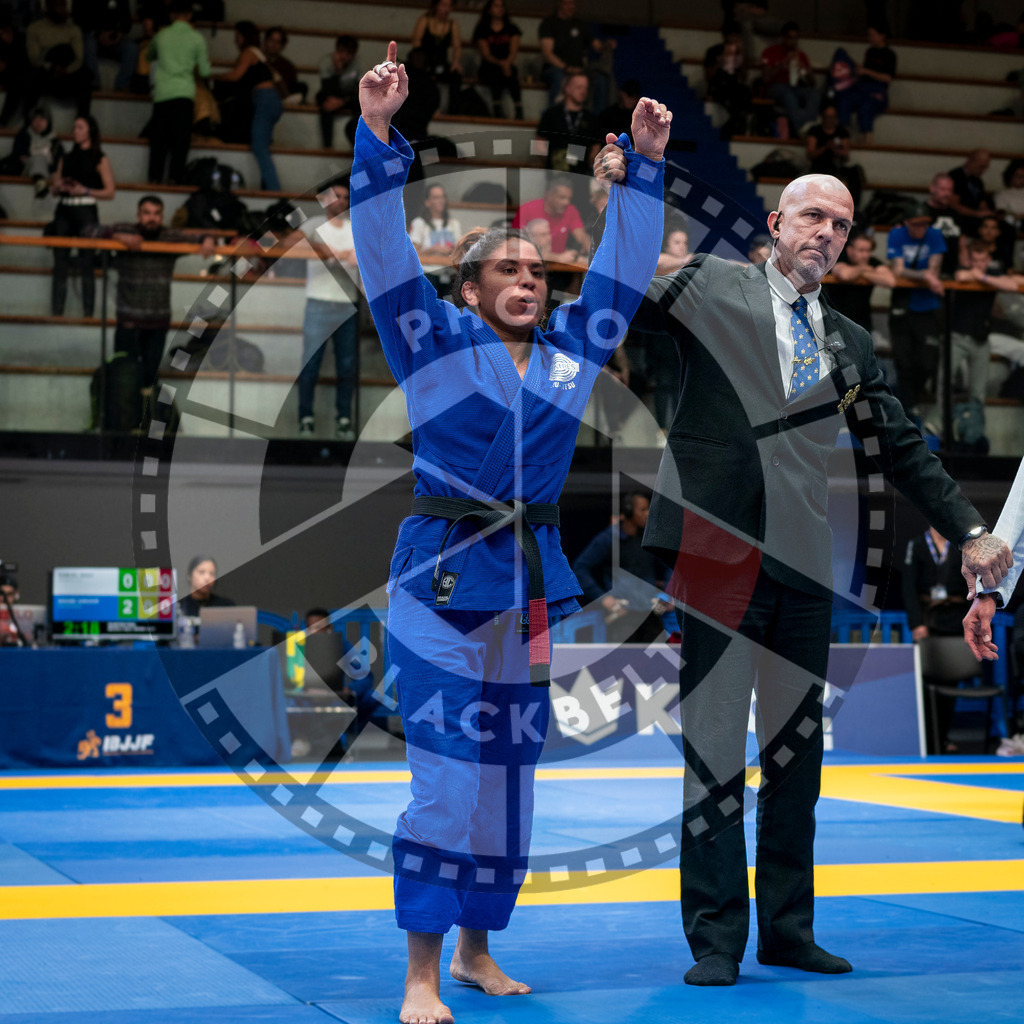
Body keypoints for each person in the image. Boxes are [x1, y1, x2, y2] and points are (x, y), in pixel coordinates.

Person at [597, 145, 1013, 984]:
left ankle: (788, 927)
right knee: (716, 748)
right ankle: (716, 940)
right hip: (715, 557)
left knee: (796, 757)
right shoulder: (716, 287)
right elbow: (629, 285)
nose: (827, 231)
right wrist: (631, 189)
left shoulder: (850, 340)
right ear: (777, 226)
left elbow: (902, 446)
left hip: (799, 565)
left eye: (842, 223)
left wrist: (970, 530)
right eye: (813, 216)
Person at [352, 40, 669, 1024]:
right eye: (507, 268)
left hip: (525, 585)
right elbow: (381, 252)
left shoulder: (576, 351)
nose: (528, 278)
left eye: (537, 268)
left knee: (506, 783)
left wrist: (644, 173)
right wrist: (374, 136)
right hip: (441, 580)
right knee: (444, 784)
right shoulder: (429, 339)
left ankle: (479, 947)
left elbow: (620, 272)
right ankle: (416, 972)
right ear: (469, 288)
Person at [87, 195, 215, 407]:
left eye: (156, 214)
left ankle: (142, 428)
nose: (151, 218)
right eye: (147, 213)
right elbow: (88, 231)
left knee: (148, 380)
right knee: (124, 376)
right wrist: (118, 236)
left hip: (158, 321)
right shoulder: (125, 230)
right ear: (139, 215)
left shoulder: (169, 236)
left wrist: (208, 239)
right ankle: (123, 428)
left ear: (162, 216)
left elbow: (204, 235)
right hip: (128, 319)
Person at [295, 176, 360, 440]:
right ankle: (305, 418)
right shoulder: (312, 225)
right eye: (336, 197)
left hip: (348, 304)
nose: (341, 202)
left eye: (345, 197)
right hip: (319, 301)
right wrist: (323, 248)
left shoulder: (357, 228)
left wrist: (355, 256)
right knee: (310, 364)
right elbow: (289, 245)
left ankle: (344, 418)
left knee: (347, 366)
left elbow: (373, 256)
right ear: (325, 199)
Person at [573, 490, 673, 642]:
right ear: (628, 512)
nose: (647, 514)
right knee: (624, 660)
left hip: (650, 613)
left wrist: (669, 594)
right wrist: (603, 598)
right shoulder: (608, 538)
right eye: (643, 509)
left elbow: (669, 564)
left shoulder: (650, 538)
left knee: (658, 661)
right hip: (622, 614)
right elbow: (580, 568)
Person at [49, 114, 115, 318]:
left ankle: (88, 314)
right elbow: (54, 187)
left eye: (79, 127)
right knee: (60, 262)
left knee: (87, 262)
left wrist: (85, 190)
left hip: (86, 209)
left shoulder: (99, 158)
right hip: (64, 208)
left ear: (89, 131)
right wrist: (59, 186)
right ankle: (57, 312)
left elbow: (110, 191)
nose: (75, 131)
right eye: (74, 127)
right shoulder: (65, 158)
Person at [886, 202, 946, 424]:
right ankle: (906, 409)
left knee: (928, 362)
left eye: (924, 224)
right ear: (907, 223)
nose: (921, 229)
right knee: (904, 361)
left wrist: (926, 276)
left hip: (928, 307)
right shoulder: (897, 234)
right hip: (903, 303)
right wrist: (926, 277)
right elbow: (898, 269)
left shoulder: (935, 235)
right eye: (916, 225)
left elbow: (935, 271)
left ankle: (910, 401)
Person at [212, 21, 282, 191]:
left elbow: (236, 76)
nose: (235, 40)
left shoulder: (248, 51)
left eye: (237, 36)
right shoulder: (258, 54)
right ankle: (268, 190)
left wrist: (212, 75)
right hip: (270, 100)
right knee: (263, 145)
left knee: (259, 147)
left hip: (264, 99)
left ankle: (275, 193)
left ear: (243, 37)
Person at [146, 0, 210, 185]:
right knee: (180, 141)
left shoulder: (162, 35)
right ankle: (175, 178)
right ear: (190, 15)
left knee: (158, 140)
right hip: (184, 93)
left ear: (171, 15)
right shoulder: (197, 38)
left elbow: (149, 56)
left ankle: (154, 178)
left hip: (163, 93)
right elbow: (205, 71)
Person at [25, 0, 93, 117]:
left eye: (64, 6)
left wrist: (66, 70)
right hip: (46, 73)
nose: (63, 10)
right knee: (29, 76)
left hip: (68, 73)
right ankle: (28, 119)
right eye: (59, 6)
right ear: (48, 7)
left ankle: (82, 121)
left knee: (86, 76)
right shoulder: (34, 29)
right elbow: (34, 58)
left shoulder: (73, 29)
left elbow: (79, 59)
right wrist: (51, 67)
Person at [824, 227, 895, 333]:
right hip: (836, 320)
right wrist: (864, 269)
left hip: (862, 322)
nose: (865, 255)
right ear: (849, 250)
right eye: (861, 251)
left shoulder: (872, 262)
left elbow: (890, 281)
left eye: (868, 251)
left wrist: (864, 273)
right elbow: (845, 274)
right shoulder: (840, 258)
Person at [835, 24, 895, 145]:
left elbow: (888, 78)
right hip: (863, 88)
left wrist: (867, 71)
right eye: (869, 35)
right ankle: (844, 134)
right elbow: (865, 70)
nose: (870, 38)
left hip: (878, 90)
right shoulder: (870, 51)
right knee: (845, 100)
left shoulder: (890, 54)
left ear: (882, 36)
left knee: (866, 107)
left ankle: (867, 138)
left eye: (872, 35)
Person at [760, 21, 817, 138]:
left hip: (797, 87)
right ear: (783, 37)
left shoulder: (801, 56)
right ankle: (800, 130)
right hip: (776, 88)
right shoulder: (770, 52)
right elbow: (765, 78)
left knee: (814, 95)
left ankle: (809, 128)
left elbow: (812, 83)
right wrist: (781, 65)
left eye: (796, 38)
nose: (793, 41)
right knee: (788, 95)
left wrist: (805, 70)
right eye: (790, 38)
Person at [511, 174, 588, 258]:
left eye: (569, 198)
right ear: (549, 195)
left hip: (560, 267)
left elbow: (582, 237)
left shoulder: (570, 210)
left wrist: (589, 254)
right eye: (561, 198)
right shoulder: (526, 209)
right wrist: (557, 258)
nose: (566, 202)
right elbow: (516, 246)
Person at [408, 182, 464, 298]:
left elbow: (460, 251)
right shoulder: (419, 223)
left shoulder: (454, 224)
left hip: (449, 274)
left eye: (443, 197)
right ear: (427, 202)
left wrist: (452, 250)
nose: (441, 200)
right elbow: (412, 255)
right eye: (436, 197)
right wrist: (433, 250)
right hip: (428, 273)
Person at [535, 69, 596, 171]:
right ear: (567, 88)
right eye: (579, 87)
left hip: (581, 177)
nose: (583, 91)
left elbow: (595, 149)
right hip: (555, 174)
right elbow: (539, 143)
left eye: (586, 88)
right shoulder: (552, 114)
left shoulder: (591, 118)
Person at [472, 0, 523, 120]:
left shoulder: (512, 28)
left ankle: (519, 107)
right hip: (489, 65)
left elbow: (513, 51)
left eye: (502, 6)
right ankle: (496, 106)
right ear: (489, 9)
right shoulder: (482, 28)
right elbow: (486, 54)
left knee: (512, 74)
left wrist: (507, 63)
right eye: (496, 6)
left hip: (507, 64)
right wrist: (501, 63)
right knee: (496, 72)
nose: (500, 9)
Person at [411, 0, 463, 114]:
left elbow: (457, 46)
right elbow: (416, 43)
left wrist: (456, 62)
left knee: (456, 76)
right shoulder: (425, 20)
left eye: (449, 6)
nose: (447, 9)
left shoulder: (452, 24)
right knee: (418, 75)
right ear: (436, 6)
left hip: (441, 62)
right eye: (444, 5)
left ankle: (453, 112)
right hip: (424, 61)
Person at [73, 0, 136, 92]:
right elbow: (78, 19)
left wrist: (119, 34)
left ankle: (122, 87)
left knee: (131, 48)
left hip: (115, 38)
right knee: (89, 44)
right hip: (92, 36)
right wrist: (99, 34)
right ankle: (94, 84)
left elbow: (127, 22)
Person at [702, 20, 751, 138]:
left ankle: (737, 128)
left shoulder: (739, 53)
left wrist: (740, 55)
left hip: (734, 85)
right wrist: (721, 59)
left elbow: (744, 76)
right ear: (725, 36)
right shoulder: (714, 51)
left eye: (736, 36)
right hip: (719, 84)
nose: (734, 39)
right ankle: (730, 130)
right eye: (732, 36)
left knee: (744, 93)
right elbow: (708, 76)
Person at [537, 0, 592, 107]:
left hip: (578, 70)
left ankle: (592, 119)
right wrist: (567, 68)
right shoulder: (549, 23)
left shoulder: (580, 24)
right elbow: (547, 54)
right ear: (559, 4)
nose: (571, 7)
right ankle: (554, 115)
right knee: (559, 76)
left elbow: (595, 44)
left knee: (598, 79)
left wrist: (606, 45)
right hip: (555, 69)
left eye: (573, 4)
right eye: (567, 3)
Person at [6, 105, 62, 197]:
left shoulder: (55, 142)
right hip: (26, 170)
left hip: (48, 173)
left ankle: (41, 182)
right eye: (35, 120)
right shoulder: (24, 136)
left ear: (48, 122)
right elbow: (17, 156)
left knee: (40, 159)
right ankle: (41, 184)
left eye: (42, 120)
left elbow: (56, 164)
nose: (38, 123)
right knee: (38, 158)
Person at [317, 34, 360, 149]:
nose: (344, 56)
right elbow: (327, 90)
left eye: (348, 53)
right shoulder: (327, 62)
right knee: (323, 102)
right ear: (337, 50)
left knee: (363, 106)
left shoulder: (359, 65)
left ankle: (357, 145)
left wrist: (343, 102)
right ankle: (327, 146)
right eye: (342, 52)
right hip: (332, 93)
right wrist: (337, 70)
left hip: (351, 96)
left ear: (354, 54)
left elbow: (362, 92)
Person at [263, 26, 306, 103]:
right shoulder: (256, 60)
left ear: (282, 46)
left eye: (278, 42)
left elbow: (289, 88)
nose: (274, 44)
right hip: (260, 95)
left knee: (302, 87)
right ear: (265, 41)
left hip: (279, 98)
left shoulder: (287, 66)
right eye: (271, 40)